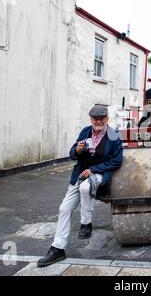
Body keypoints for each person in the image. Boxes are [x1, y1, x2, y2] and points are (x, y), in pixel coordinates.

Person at [37, 104, 123, 267]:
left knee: (85, 188)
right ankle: (58, 248)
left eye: (101, 118)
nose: (98, 121)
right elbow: (72, 154)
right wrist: (77, 149)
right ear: (90, 119)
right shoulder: (85, 131)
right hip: (79, 175)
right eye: (95, 119)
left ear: (107, 119)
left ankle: (86, 223)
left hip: (98, 175)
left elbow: (117, 161)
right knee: (64, 209)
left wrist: (93, 170)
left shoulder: (114, 136)